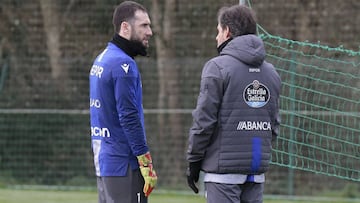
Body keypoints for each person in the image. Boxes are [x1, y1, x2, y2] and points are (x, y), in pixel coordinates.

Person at [186, 4, 281, 203]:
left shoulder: (217, 67)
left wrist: (194, 160)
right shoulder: (271, 72)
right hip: (256, 171)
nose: (216, 37)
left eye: (218, 31)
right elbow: (273, 124)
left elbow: (204, 122)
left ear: (227, 31)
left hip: (222, 175)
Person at [89, 1, 157, 203]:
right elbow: (128, 116)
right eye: (144, 25)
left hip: (105, 161)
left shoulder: (102, 58)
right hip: (123, 162)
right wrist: (145, 161)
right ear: (125, 27)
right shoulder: (123, 64)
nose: (150, 32)